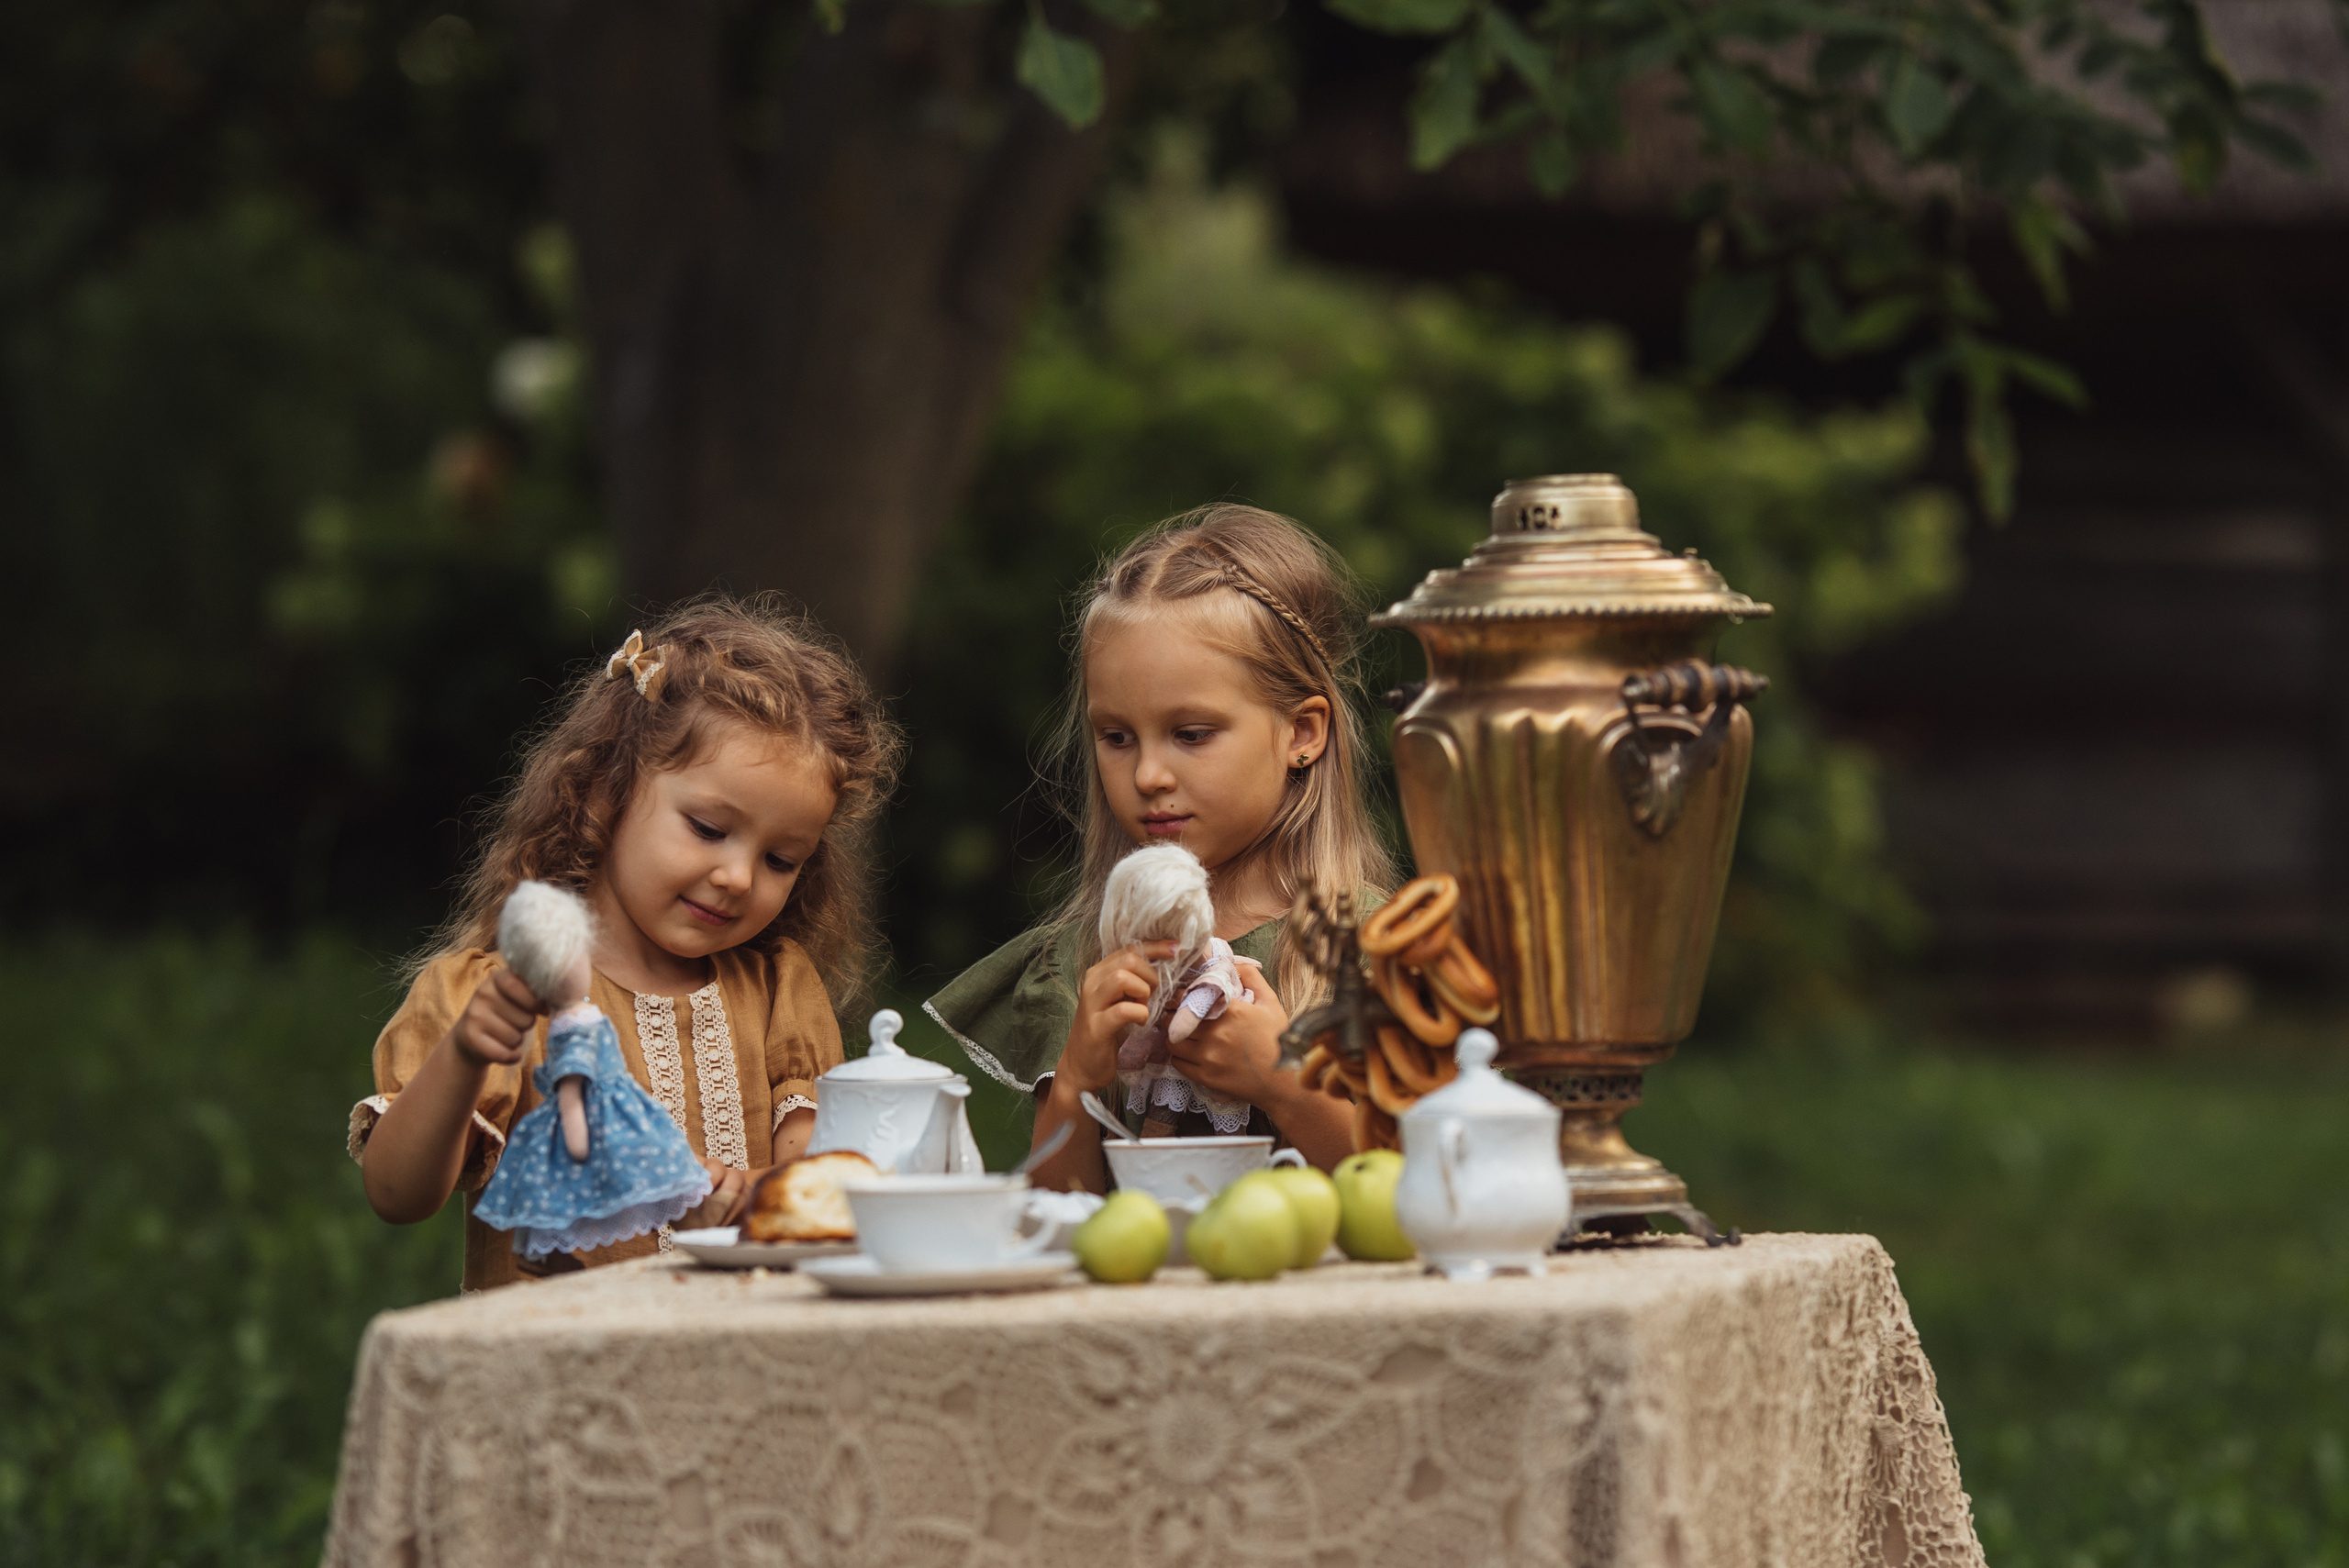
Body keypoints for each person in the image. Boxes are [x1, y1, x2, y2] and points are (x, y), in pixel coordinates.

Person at [352, 596, 902, 1290]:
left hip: (746, 1346)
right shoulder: (496, 996)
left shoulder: (777, 993)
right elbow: (397, 1196)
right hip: (564, 1350)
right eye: (708, 828)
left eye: (780, 860)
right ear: (606, 790)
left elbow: (813, 1184)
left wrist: (746, 1197)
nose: (738, 877)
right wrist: (463, 1055)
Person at [924, 505, 1395, 1191]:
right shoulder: (1084, 957)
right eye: (1117, 737)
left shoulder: (1375, 951)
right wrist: (1079, 1075)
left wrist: (1286, 1085)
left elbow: (1423, 1197)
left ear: (1302, 732)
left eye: (1191, 734)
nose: (1147, 775)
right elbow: (1055, 1210)